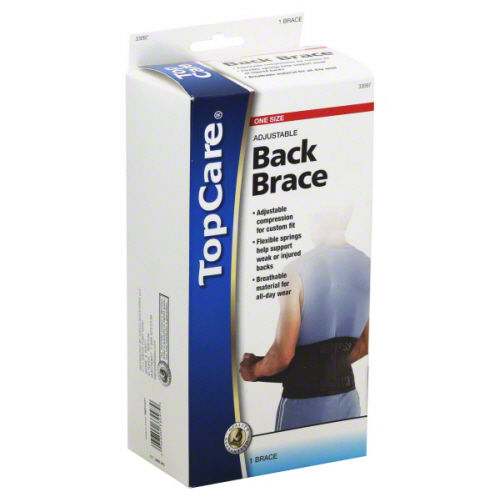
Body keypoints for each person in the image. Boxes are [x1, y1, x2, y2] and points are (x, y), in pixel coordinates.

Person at [240, 207, 370, 431]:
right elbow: (366, 344)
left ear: (317, 215)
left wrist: (254, 370)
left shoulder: (295, 271)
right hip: (348, 401)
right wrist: (327, 367)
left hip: (303, 405)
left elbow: (282, 356)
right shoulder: (368, 266)